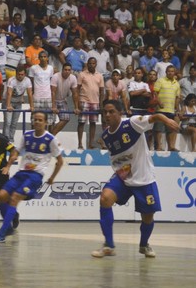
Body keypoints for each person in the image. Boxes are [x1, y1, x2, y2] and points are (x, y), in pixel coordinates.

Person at [91, 100, 179, 258]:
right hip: (123, 177)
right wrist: (120, 170)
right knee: (105, 198)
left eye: (111, 112)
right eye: (105, 112)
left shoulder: (132, 124)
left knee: (148, 216)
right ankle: (109, 245)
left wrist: (167, 120)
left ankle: (144, 245)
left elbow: (155, 116)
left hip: (144, 178)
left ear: (120, 113)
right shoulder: (106, 136)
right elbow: (115, 159)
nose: (107, 115)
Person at [0, 111, 64, 244]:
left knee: (14, 198)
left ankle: (1, 233)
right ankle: (8, 227)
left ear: (45, 122)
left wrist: (52, 178)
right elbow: (16, 150)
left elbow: (60, 161)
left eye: (40, 120)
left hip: (35, 176)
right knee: (0, 197)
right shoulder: (27, 135)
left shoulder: (50, 139)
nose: (37, 122)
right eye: (35, 120)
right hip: (21, 173)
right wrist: (11, 161)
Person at [77, 57, 105, 149]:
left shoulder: (100, 75)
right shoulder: (81, 74)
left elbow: (102, 91)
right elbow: (77, 90)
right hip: (84, 100)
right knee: (81, 122)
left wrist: (101, 104)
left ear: (96, 64)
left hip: (95, 102)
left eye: (93, 63)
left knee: (93, 123)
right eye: (90, 63)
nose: (91, 65)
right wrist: (78, 103)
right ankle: (80, 144)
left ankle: (90, 144)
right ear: (87, 64)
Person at [153, 65, 182, 151]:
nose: (170, 72)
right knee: (158, 129)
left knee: (170, 129)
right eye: (168, 71)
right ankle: (158, 147)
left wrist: (177, 109)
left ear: (175, 72)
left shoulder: (177, 84)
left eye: (172, 71)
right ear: (166, 72)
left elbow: (177, 97)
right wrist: (159, 102)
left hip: (171, 111)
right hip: (160, 110)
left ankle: (170, 147)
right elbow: (155, 93)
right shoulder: (160, 80)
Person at [4, 66, 33, 141]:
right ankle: (6, 139)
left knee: (14, 123)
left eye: (22, 74)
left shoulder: (27, 80)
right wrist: (8, 105)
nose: (20, 76)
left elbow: (30, 93)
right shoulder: (11, 80)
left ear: (25, 74)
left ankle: (11, 139)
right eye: (18, 74)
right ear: (16, 74)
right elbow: (9, 93)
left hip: (18, 103)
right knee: (8, 122)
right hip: (9, 101)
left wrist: (32, 106)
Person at [50, 63, 80, 135]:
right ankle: (50, 138)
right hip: (52, 100)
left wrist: (76, 107)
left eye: (69, 70)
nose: (67, 71)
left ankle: (51, 136)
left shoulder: (73, 78)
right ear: (62, 70)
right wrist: (53, 106)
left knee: (66, 118)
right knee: (50, 121)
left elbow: (75, 93)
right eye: (65, 70)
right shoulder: (55, 76)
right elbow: (52, 92)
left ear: (71, 71)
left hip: (62, 100)